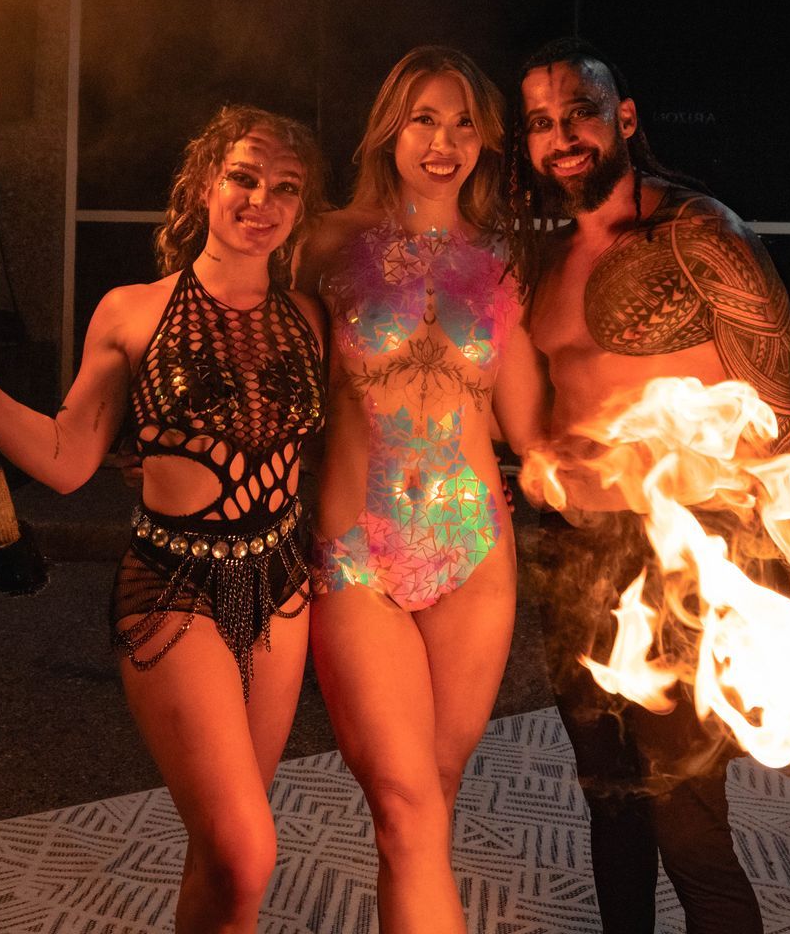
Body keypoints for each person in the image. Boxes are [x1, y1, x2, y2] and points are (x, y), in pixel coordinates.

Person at [0, 106, 328, 934]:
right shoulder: (134, 310)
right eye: (244, 177)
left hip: (283, 587)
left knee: (222, 854)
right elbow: (68, 459)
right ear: (206, 183)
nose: (261, 200)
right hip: (175, 586)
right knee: (248, 847)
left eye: (285, 187)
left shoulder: (308, 318)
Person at [516, 38, 790, 934]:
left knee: (686, 820)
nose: (561, 136)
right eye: (540, 122)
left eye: (579, 110)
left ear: (625, 117)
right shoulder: (546, 260)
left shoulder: (701, 237)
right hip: (575, 561)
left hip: (686, 557)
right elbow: (544, 413)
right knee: (609, 804)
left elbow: (785, 423)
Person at [298, 46, 547, 934]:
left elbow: (527, 429)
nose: (444, 143)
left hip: (476, 551)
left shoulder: (501, 260)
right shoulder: (323, 241)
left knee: (430, 801)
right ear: (389, 130)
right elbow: (259, 348)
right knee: (405, 802)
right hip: (359, 551)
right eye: (424, 120)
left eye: (463, 124)